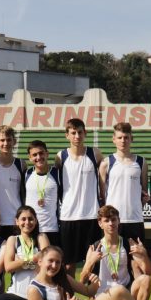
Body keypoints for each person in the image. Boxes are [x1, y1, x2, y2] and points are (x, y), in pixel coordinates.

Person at [81, 205, 151, 300]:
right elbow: (82, 281)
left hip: (126, 293)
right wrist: (90, 262)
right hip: (105, 295)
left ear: (119, 221)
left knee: (145, 279)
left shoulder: (128, 243)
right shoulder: (95, 247)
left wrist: (144, 254)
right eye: (106, 220)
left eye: (113, 219)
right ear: (100, 224)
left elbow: (148, 272)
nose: (111, 223)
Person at [55, 118, 103, 275]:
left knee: (94, 263)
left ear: (85, 133)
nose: (77, 136)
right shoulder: (60, 156)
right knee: (69, 265)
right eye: (73, 133)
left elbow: (106, 176)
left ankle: (93, 291)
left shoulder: (94, 154)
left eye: (80, 132)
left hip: (91, 216)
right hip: (68, 216)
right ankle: (69, 292)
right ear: (67, 135)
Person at [0, 206, 50, 300]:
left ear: (36, 220)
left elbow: (47, 265)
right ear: (17, 221)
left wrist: (20, 262)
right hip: (17, 294)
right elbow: (8, 267)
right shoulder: (13, 239)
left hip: (38, 294)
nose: (27, 222)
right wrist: (34, 259)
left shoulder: (41, 237)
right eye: (23, 219)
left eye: (30, 219)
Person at [99, 122, 148, 243]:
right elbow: (102, 196)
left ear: (131, 139)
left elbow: (144, 192)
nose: (123, 141)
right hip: (113, 221)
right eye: (119, 137)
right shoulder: (106, 163)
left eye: (126, 137)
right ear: (114, 139)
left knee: (137, 255)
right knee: (113, 254)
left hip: (135, 219)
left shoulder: (141, 162)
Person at [0, 125, 26, 240]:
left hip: (16, 221)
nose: (6, 143)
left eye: (9, 140)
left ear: (14, 142)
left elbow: (23, 193)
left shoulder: (21, 164)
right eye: (2, 140)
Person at [24, 140, 62, 247]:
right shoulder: (27, 174)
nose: (38, 157)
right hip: (31, 228)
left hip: (52, 229)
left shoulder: (57, 173)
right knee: (32, 258)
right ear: (30, 157)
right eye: (34, 155)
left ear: (47, 154)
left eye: (41, 153)